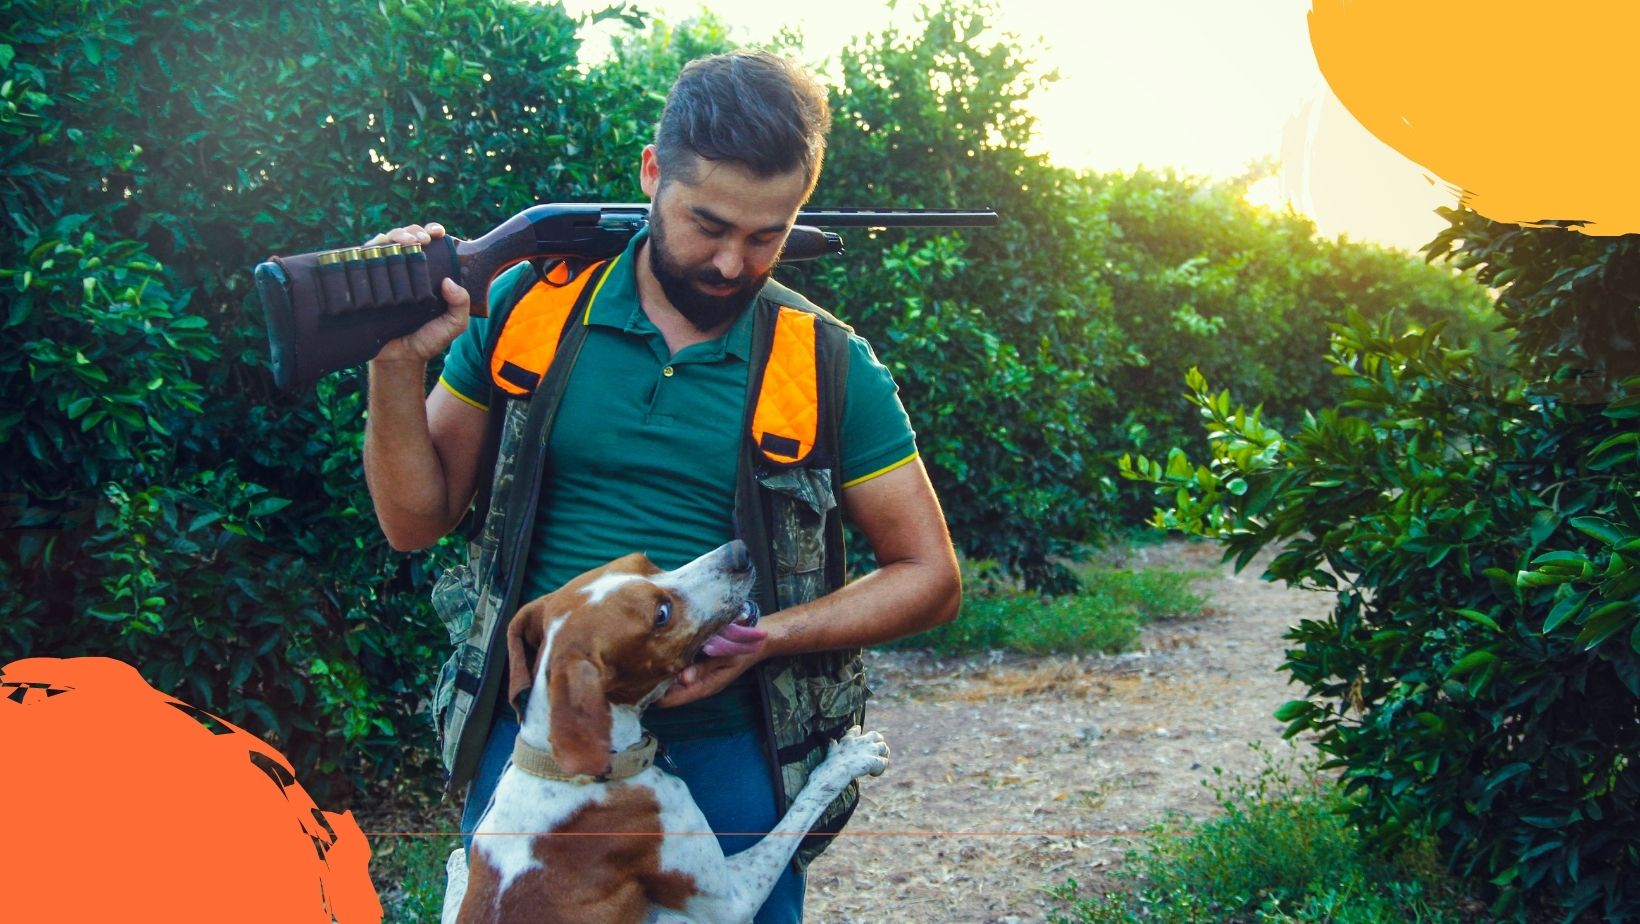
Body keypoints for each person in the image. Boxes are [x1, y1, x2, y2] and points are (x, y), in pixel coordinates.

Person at [362, 49, 961, 922]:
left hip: (730, 745)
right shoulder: (531, 304)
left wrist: (772, 637)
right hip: (543, 742)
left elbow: (930, 576)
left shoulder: (828, 361)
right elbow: (413, 522)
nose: (729, 263)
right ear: (652, 171)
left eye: (767, 234)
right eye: (707, 224)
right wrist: (392, 363)